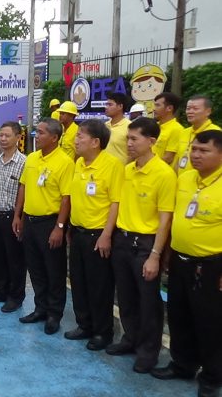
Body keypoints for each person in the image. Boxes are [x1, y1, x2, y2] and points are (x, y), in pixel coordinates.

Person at [151, 130, 222, 397]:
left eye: (204, 151)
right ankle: (182, 364)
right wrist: (166, 252)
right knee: (179, 315)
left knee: (210, 321)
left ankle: (212, 376)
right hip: (180, 258)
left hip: (211, 265)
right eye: (194, 149)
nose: (196, 155)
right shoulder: (185, 178)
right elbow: (174, 218)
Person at [106, 117, 176, 374]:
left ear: (151, 141)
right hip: (122, 239)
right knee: (125, 296)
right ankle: (130, 338)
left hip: (146, 244)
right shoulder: (127, 170)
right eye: (128, 139)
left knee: (148, 301)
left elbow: (165, 219)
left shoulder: (164, 174)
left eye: (134, 139)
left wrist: (155, 255)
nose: (129, 144)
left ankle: (148, 351)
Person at [65, 119, 124, 351]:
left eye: (81, 136)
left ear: (96, 142)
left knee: (99, 286)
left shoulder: (112, 165)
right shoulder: (79, 163)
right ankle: (84, 325)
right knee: (78, 282)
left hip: (98, 235)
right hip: (78, 232)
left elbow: (115, 203)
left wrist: (107, 234)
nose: (76, 140)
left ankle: (102, 332)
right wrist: (69, 227)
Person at [13, 118, 74, 334]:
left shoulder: (65, 162)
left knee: (54, 271)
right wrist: (18, 215)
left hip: (50, 223)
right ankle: (40, 308)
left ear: (54, 137)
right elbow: (23, 187)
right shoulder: (32, 158)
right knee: (36, 269)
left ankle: (54, 314)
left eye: (40, 133)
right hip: (30, 220)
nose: (35, 136)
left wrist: (60, 227)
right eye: (36, 132)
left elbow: (66, 198)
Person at [0, 121, 27, 312]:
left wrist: (19, 216)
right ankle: (0, 291)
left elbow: (24, 192)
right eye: (1, 135)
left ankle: (16, 296)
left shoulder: (24, 163)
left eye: (7, 135)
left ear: (18, 137)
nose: (3, 139)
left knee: (15, 260)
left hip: (13, 216)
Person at [174, 95, 221, 176]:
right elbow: (178, 158)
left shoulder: (216, 133)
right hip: (182, 180)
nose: (190, 112)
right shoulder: (184, 132)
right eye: (188, 108)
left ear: (208, 111)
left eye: (195, 109)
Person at [153, 92, 184, 165]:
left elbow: (168, 158)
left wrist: (148, 166)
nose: (154, 109)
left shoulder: (177, 129)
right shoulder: (154, 126)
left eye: (157, 105)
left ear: (169, 108)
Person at [104, 92, 132, 164]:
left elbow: (133, 153)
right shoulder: (105, 126)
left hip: (121, 169)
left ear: (120, 106)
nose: (106, 107)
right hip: (104, 168)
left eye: (110, 104)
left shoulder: (130, 127)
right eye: (106, 104)